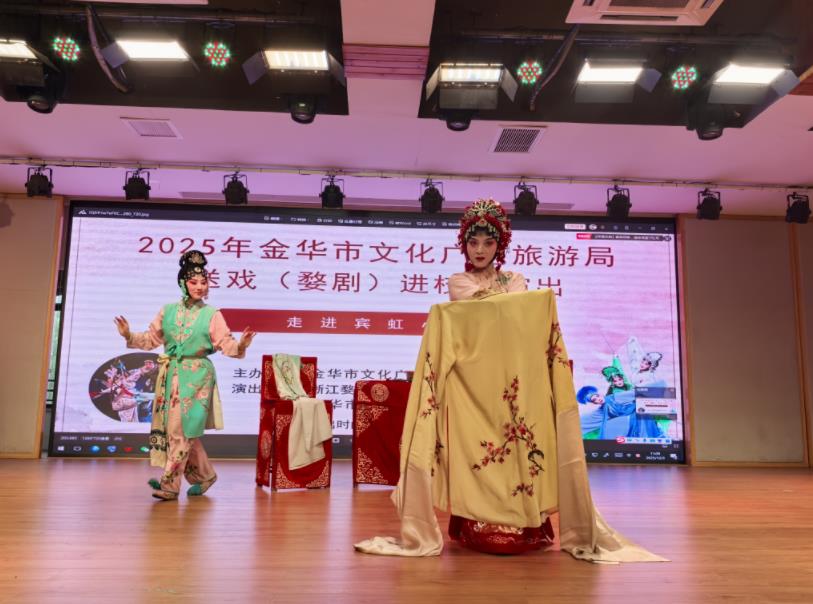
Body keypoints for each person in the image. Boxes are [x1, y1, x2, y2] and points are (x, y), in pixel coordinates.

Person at [114, 250, 255, 500]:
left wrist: (241, 345)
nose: (200, 286)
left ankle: (169, 485)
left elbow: (226, 343)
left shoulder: (212, 314)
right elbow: (150, 339)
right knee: (179, 431)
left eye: (204, 282)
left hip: (198, 377)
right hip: (170, 376)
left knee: (180, 430)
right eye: (193, 282)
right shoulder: (167, 311)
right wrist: (128, 335)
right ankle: (205, 475)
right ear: (182, 283)